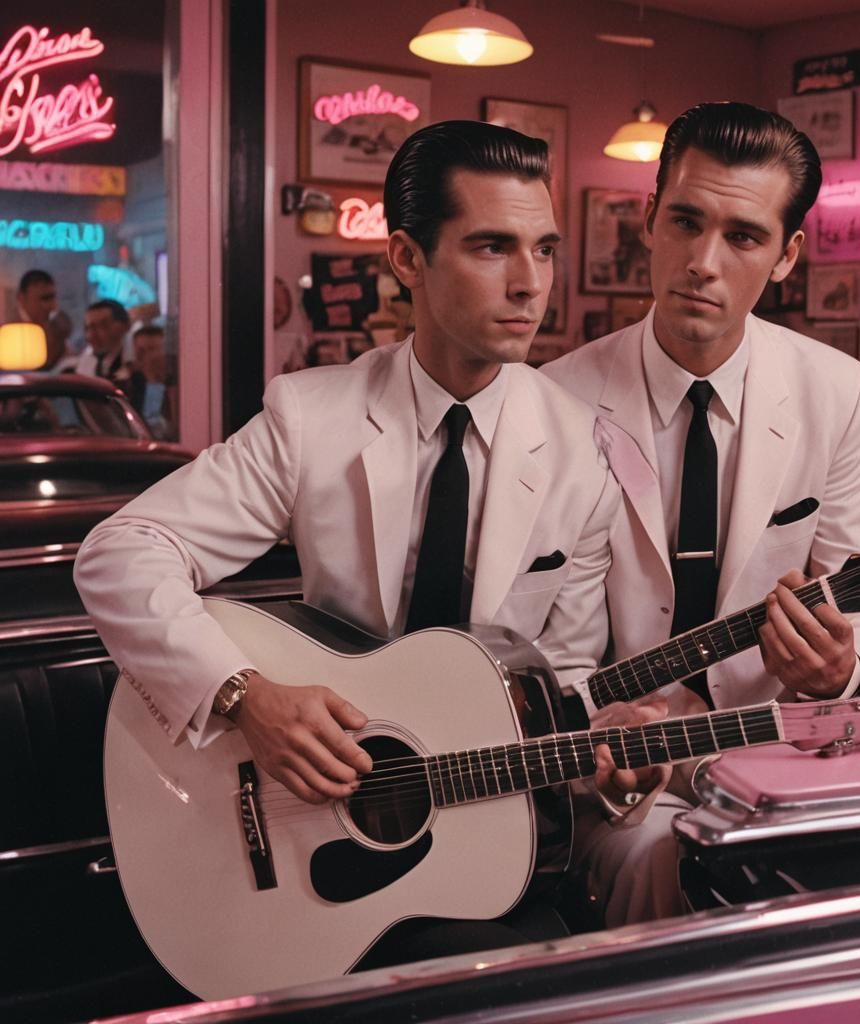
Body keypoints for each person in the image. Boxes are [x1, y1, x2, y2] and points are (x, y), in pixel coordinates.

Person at [74, 120, 620, 967]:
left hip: (474, 832)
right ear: (407, 259)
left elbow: (569, 682)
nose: (530, 284)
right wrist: (245, 697)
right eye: (491, 247)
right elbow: (121, 550)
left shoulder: (581, 448)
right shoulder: (312, 417)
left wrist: (610, 764)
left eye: (543, 250)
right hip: (301, 822)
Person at [544, 101, 860, 926]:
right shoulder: (554, 402)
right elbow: (528, 642)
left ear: (785, 257)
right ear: (648, 220)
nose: (702, 262)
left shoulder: (837, 391)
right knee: (671, 861)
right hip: (614, 778)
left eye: (743, 237)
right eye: (685, 221)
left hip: (776, 757)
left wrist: (842, 670)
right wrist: (599, 733)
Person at [15, 269, 76, 372]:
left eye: (53, 298)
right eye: (45, 299)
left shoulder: (57, 326)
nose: (52, 306)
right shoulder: (7, 326)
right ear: (22, 298)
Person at [127, 325, 178, 439]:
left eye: (151, 350)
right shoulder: (132, 385)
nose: (143, 356)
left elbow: (173, 429)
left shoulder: (176, 387)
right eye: (139, 351)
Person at [77, 299, 131, 384]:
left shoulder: (138, 361)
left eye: (102, 326)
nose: (92, 335)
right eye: (88, 328)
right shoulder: (85, 363)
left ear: (125, 326)